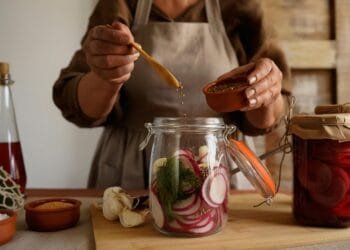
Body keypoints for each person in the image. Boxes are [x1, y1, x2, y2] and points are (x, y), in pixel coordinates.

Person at [53, 0, 291, 189]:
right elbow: (78, 105)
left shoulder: (239, 6)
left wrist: (265, 93)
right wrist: (106, 76)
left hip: (218, 168)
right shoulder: (121, 4)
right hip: (133, 171)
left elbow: (265, 121)